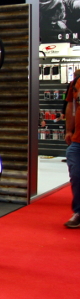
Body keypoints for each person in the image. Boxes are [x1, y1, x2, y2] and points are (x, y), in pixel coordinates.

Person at [63, 72, 80, 228]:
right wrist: (69, 130)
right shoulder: (76, 82)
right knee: (76, 175)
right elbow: (71, 105)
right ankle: (79, 212)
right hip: (77, 140)